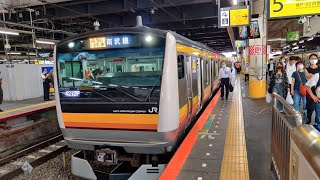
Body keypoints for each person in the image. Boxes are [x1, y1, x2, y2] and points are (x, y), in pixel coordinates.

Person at [305, 54, 320, 124]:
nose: (313, 60)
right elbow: (307, 78)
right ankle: (309, 119)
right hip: (310, 91)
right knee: (310, 107)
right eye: (312, 58)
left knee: (317, 109)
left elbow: (310, 77)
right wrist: (315, 76)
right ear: (309, 59)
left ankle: (316, 122)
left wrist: (312, 76)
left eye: (315, 58)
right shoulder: (307, 69)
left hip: (318, 92)